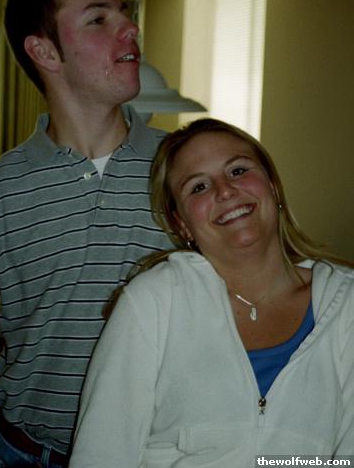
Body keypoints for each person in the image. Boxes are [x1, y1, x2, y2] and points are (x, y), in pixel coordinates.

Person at [0, 0, 172, 468]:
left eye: (124, 13)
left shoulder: (189, 171)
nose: (130, 27)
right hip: (33, 455)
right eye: (99, 19)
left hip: (167, 453)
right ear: (45, 52)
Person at [70, 117, 354, 467]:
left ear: (272, 186)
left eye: (238, 171)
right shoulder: (152, 301)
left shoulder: (347, 304)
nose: (224, 190)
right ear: (181, 223)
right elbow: (101, 453)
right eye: (199, 187)